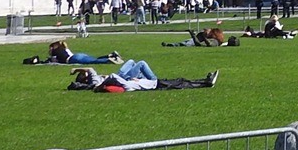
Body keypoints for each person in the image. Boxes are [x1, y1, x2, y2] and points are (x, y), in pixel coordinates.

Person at [68, 61, 219, 91]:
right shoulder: (96, 82)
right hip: (150, 85)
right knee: (182, 83)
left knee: (181, 82)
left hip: (146, 84)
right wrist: (76, 69)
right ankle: (206, 82)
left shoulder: (124, 85)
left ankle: (206, 81)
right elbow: (92, 70)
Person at [44, 40, 121, 66]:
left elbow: (54, 61)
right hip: (77, 55)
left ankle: (108, 60)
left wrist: (49, 57)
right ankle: (110, 55)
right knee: (94, 59)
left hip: (72, 59)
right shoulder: (64, 48)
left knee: (93, 61)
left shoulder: (55, 52)